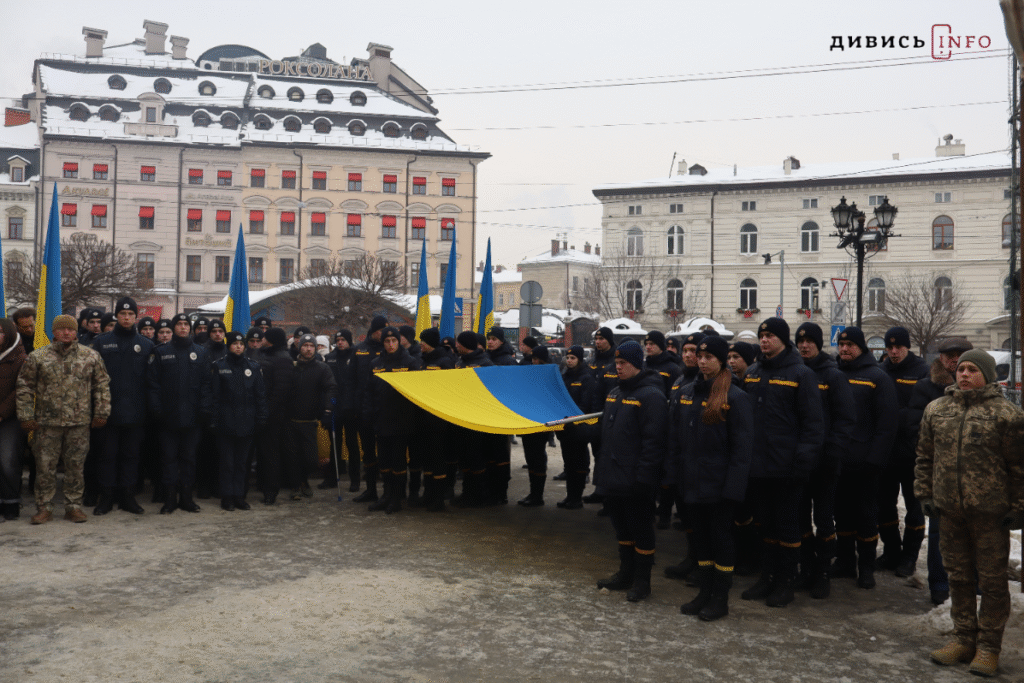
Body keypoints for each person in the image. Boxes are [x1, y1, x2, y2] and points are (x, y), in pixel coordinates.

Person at [915, 349, 1024, 678]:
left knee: (991, 582)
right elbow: (924, 457)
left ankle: (989, 646)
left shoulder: (1007, 415)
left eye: (972, 369)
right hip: (949, 511)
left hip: (990, 514)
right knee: (958, 577)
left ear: (987, 375)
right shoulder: (936, 410)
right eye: (960, 369)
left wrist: (1019, 507)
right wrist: (924, 494)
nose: (963, 374)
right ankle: (963, 638)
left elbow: (1018, 468)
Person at [667, 336, 753, 621]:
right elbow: (677, 440)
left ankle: (720, 598)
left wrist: (733, 489)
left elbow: (742, 449)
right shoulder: (688, 392)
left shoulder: (736, 398)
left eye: (709, 357)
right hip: (692, 481)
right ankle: (704, 592)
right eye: (699, 356)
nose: (702, 361)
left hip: (720, 485)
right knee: (700, 539)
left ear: (721, 360)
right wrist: (675, 476)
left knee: (721, 540)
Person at [740, 318, 823, 608]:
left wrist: (803, 461)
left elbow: (812, 424)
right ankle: (767, 577)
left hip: (787, 467)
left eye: (771, 336)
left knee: (787, 525)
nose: (764, 340)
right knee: (764, 524)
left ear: (783, 340)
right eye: (762, 336)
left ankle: (786, 581)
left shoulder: (800, 373)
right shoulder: (752, 372)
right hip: (758, 466)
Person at [17, 314, 111, 524]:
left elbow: (102, 386)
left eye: (70, 329)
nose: (66, 333)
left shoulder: (90, 356)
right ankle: (44, 507)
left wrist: (102, 413)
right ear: (54, 332)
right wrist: (25, 416)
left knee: (75, 467)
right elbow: (24, 387)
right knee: (44, 468)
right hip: (46, 424)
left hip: (78, 423)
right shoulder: (38, 357)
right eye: (61, 329)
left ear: (76, 332)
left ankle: (73, 506)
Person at [594, 340, 668, 603]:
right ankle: (625, 573)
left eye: (623, 363)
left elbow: (653, 443)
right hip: (614, 477)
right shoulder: (615, 392)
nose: (618, 368)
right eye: (616, 363)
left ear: (637, 364)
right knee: (621, 529)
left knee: (641, 530)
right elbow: (608, 435)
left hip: (636, 480)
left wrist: (644, 479)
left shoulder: (651, 396)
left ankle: (642, 581)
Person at [907, 336, 973, 606]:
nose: (954, 360)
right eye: (949, 355)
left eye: (960, 355)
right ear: (941, 358)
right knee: (938, 533)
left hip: (976, 479)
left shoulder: (985, 391)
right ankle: (939, 585)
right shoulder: (927, 388)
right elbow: (915, 429)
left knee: (975, 535)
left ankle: (974, 586)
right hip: (941, 474)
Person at [831, 327, 898, 589]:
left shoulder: (877, 378)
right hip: (839, 461)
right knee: (841, 514)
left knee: (866, 516)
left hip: (866, 463)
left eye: (850, 344)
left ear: (861, 347)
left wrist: (874, 460)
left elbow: (887, 424)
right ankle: (845, 561)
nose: (845, 349)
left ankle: (866, 566)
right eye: (841, 344)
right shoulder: (835, 375)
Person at [794, 322, 855, 599]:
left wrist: (833, 454)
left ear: (819, 344)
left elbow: (844, 420)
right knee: (799, 516)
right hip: (799, 460)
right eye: (800, 341)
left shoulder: (833, 375)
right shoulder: (795, 372)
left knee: (823, 517)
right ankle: (806, 567)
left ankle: (823, 571)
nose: (804, 345)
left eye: (809, 341)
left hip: (825, 462)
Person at [90, 296, 155, 516]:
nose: (126, 318)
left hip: (136, 413)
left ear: (136, 317)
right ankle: (106, 498)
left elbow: (151, 381)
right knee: (107, 457)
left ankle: (128, 497)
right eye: (122, 314)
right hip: (108, 412)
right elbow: (94, 378)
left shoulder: (147, 345)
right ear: (116, 315)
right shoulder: (101, 342)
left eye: (130, 314)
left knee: (131, 457)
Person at [877, 326, 930, 577]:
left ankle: (909, 557)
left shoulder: (922, 372)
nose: (894, 352)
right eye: (890, 347)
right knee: (885, 505)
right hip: (886, 453)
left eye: (898, 347)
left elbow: (925, 413)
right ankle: (891, 551)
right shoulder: (881, 371)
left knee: (914, 507)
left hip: (913, 455)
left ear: (908, 347)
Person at [147, 313, 212, 514]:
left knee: (189, 459)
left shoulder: (200, 352)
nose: (183, 328)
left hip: (193, 418)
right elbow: (153, 384)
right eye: (179, 324)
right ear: (173, 328)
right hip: (168, 418)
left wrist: (204, 409)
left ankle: (186, 499)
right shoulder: (161, 352)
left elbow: (206, 385)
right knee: (168, 459)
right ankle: (169, 500)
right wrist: (157, 409)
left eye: (186, 324)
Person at [364, 327, 420, 513]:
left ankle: (396, 498)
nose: (390, 344)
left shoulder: (410, 363)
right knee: (384, 462)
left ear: (399, 341)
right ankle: (386, 496)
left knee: (398, 463)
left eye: (394, 341)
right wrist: (370, 414)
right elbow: (370, 392)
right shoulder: (376, 363)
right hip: (381, 420)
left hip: (401, 421)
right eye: (387, 342)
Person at [210, 331, 268, 511]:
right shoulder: (219, 366)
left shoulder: (253, 366)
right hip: (226, 423)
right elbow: (214, 397)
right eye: (235, 344)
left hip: (247, 423)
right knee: (227, 463)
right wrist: (213, 421)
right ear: (229, 346)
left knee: (242, 464)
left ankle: (239, 496)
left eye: (241, 344)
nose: (238, 347)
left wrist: (261, 418)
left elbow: (260, 396)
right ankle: (226, 497)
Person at [286, 333, 337, 501]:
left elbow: (331, 388)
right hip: (291, 420)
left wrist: (328, 410)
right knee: (292, 458)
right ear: (299, 347)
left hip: (310, 421)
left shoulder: (322, 368)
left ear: (315, 348)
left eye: (311, 346)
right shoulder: (291, 366)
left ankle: (303, 479)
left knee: (311, 459)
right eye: (305, 346)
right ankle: (296, 485)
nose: (308, 349)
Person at [453, 331, 494, 507]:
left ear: (466, 345)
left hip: (478, 418)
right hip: (461, 417)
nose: (456, 346)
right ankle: (467, 493)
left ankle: (478, 494)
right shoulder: (460, 362)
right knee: (465, 458)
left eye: (459, 343)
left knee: (477, 458)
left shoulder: (484, 364)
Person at [417, 328, 456, 511]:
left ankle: (439, 498)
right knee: (427, 459)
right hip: (423, 418)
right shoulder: (423, 361)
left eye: (423, 341)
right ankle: (429, 494)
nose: (420, 344)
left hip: (438, 420)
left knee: (438, 459)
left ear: (430, 343)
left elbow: (450, 389)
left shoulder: (445, 361)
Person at [350, 316, 387, 503]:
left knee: (386, 452)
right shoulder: (359, 350)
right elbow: (351, 380)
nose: (384, 335)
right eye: (381, 331)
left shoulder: (388, 350)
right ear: (374, 331)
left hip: (382, 410)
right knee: (368, 451)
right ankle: (370, 490)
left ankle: (389, 493)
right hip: (362, 409)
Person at [256, 328, 295, 505]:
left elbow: (281, 391)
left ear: (271, 340)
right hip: (263, 412)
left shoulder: (282, 359)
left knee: (271, 454)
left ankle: (271, 490)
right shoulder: (266, 355)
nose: (261, 339)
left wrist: (266, 411)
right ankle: (263, 485)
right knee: (264, 453)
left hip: (275, 416)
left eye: (264, 337)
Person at [556, 346, 597, 510]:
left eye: (573, 358)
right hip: (565, 427)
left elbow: (585, 404)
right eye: (568, 357)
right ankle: (570, 496)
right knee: (569, 464)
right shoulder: (565, 376)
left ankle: (576, 498)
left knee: (578, 464)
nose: (569, 360)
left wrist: (572, 416)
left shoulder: (586, 378)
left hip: (578, 427)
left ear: (579, 359)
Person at [518, 346, 552, 507]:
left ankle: (537, 495)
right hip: (528, 422)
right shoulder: (530, 373)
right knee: (530, 457)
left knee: (537, 458)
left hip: (541, 424)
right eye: (533, 359)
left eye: (537, 359)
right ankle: (533, 493)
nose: (534, 362)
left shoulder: (550, 375)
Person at [0, 319, 27, 520]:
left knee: (7, 460)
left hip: (10, 418)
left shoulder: (21, 358)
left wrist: (2, 412)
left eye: (0, 332)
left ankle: (10, 504)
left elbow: (22, 389)